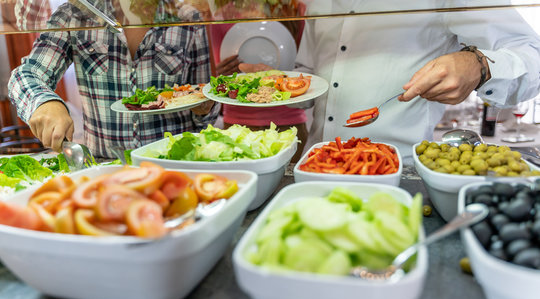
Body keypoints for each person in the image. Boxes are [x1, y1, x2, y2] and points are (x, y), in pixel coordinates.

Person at [294, 0, 540, 163]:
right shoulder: (319, 2)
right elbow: (307, 74)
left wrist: (478, 64)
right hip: (313, 164)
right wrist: (274, 86)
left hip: (399, 171)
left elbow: (533, 56)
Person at [8, 0, 219, 159]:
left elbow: (205, 102)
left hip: (176, 161)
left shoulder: (187, 16)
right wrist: (45, 103)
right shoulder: (74, 15)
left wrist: (205, 107)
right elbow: (26, 75)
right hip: (107, 167)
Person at [207, 19, 309, 162]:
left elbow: (303, 69)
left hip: (289, 121)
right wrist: (218, 73)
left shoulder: (290, 11)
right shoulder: (220, 15)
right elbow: (212, 75)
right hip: (238, 124)